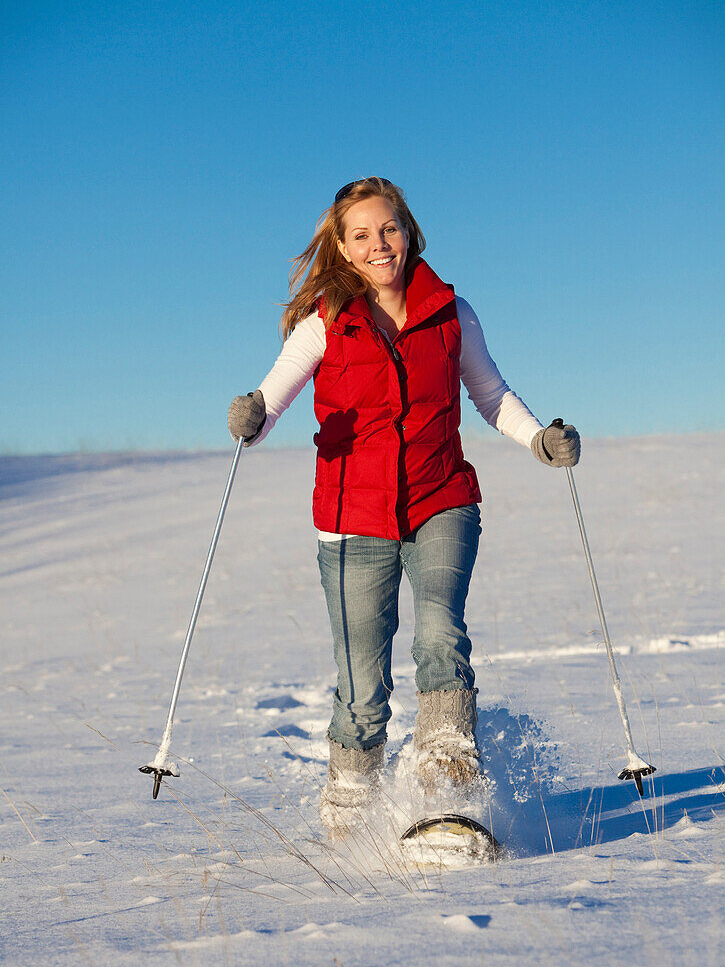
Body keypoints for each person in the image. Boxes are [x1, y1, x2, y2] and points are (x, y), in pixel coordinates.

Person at [227, 177, 580, 834]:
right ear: (341, 245)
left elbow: (489, 392)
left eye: (387, 228)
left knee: (440, 634)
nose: (378, 243)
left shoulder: (451, 312)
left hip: (439, 497)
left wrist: (537, 439)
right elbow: (271, 396)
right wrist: (251, 415)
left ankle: (447, 792)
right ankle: (350, 819)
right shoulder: (325, 322)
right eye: (360, 234)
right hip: (349, 519)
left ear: (408, 230)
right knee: (361, 688)